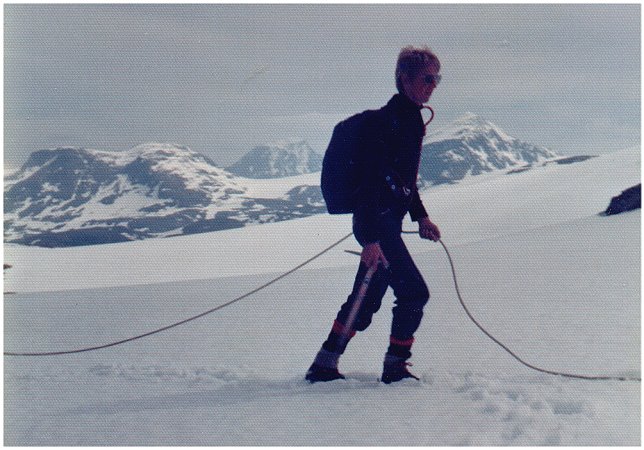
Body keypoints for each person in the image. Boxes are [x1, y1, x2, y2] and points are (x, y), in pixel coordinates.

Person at [306, 45, 442, 384]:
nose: (433, 84)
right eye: (427, 77)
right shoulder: (387, 124)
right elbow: (370, 180)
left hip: (385, 223)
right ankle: (395, 367)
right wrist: (369, 239)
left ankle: (325, 363)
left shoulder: (409, 122)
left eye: (437, 78)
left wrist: (421, 217)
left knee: (365, 298)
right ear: (404, 78)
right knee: (413, 292)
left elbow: (403, 182)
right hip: (377, 223)